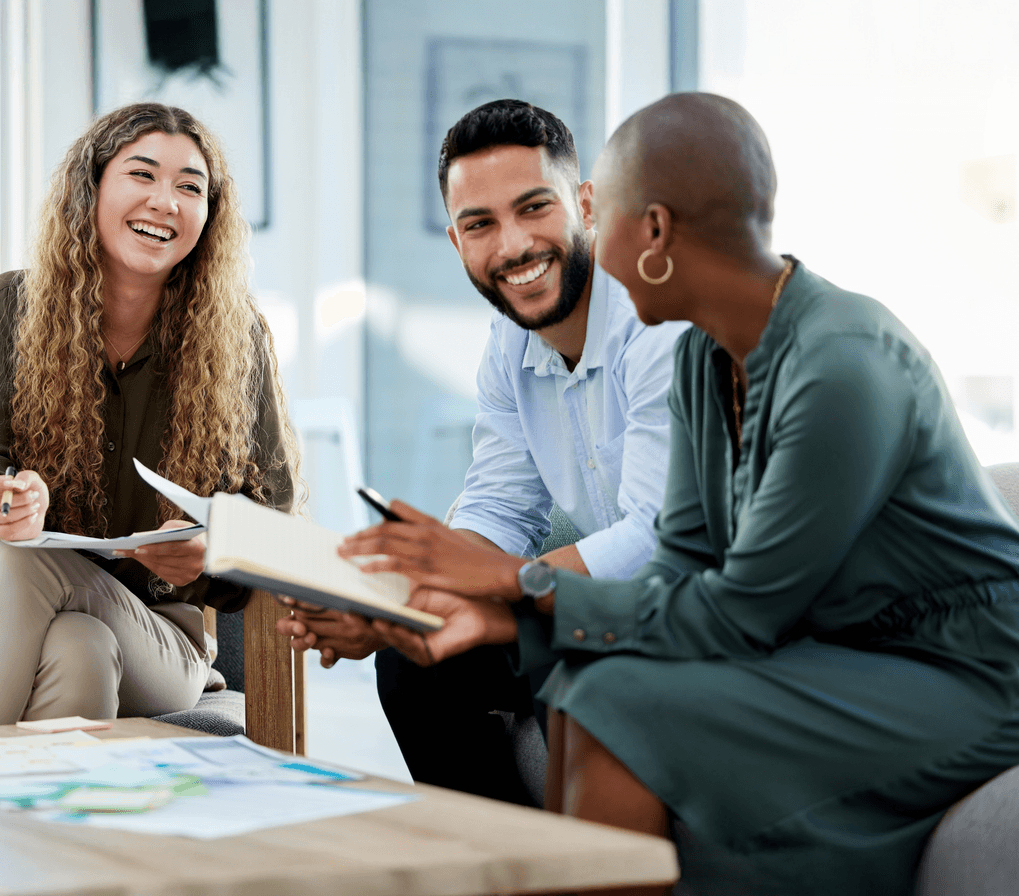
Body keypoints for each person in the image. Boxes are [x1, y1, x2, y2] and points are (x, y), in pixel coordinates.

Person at [348, 92, 1019, 896]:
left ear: (652, 230)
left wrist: (510, 589)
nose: (588, 244)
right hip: (830, 641)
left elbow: (742, 609)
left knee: (611, 700)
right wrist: (479, 608)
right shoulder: (710, 360)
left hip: (962, 664)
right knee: (594, 684)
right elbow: (686, 565)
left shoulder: (843, 362)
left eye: (606, 210)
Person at [281, 99, 686, 805]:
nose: (513, 247)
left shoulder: (655, 326)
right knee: (413, 663)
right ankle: (495, 866)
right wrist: (392, 605)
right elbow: (500, 504)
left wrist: (491, 582)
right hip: (586, 594)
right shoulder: (509, 344)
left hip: (669, 609)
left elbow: (653, 540)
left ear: (585, 203)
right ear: (456, 240)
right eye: (481, 225)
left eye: (534, 208)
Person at [0, 102, 298, 729]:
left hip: (155, 635)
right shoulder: (11, 306)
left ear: (209, 215)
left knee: (25, 567)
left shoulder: (237, 338)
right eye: (142, 175)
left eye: (189, 187)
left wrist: (210, 552)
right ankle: (41, 827)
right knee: (77, 650)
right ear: (92, 188)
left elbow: (274, 520)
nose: (166, 201)